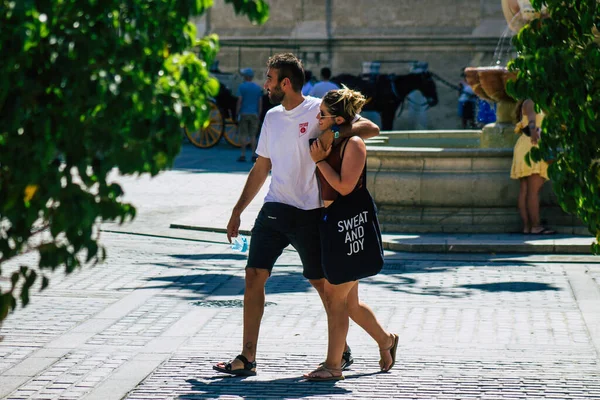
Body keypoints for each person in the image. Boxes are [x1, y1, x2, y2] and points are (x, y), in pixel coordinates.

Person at [213, 53, 380, 377]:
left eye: (270, 79)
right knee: (253, 276)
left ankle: (342, 350)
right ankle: (247, 357)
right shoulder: (272, 117)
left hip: (312, 212)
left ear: (285, 83)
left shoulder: (319, 111)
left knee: (323, 286)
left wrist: (333, 134)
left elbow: (369, 127)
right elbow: (262, 166)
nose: (266, 85)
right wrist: (237, 211)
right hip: (275, 207)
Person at [303, 87, 398, 381]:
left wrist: (319, 162)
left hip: (349, 226)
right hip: (332, 222)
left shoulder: (354, 144)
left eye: (323, 115)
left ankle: (333, 366)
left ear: (340, 118)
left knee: (335, 297)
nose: (317, 118)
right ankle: (386, 341)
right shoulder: (329, 140)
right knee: (351, 303)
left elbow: (345, 187)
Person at [510, 99, 556, 235]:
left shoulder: (528, 102)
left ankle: (528, 227)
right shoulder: (530, 102)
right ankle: (535, 226)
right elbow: (531, 121)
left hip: (525, 145)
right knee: (533, 191)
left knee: (525, 190)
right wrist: (534, 132)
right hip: (532, 146)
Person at [236, 67, 263, 162]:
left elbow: (240, 101)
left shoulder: (241, 87)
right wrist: (259, 114)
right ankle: (253, 154)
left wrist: (237, 112)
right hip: (254, 114)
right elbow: (260, 103)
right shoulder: (257, 88)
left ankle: (243, 154)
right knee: (253, 136)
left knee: (243, 135)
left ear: (246, 77)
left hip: (244, 113)